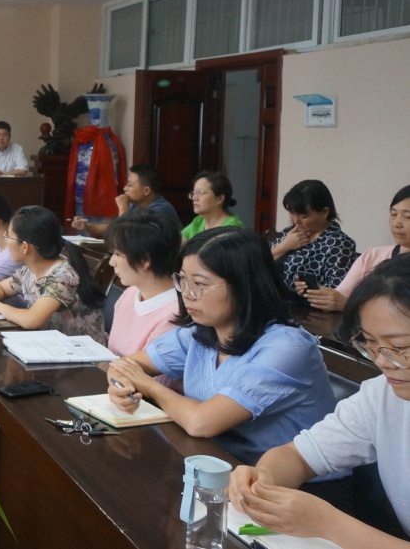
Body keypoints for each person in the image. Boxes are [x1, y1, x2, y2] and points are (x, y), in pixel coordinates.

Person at [107, 228, 337, 466]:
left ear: (244, 285)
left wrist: (148, 386)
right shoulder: (200, 332)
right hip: (214, 462)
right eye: (183, 280)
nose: (186, 294)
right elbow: (123, 367)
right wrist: (122, 389)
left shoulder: (287, 348)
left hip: (289, 481)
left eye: (199, 283)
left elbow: (201, 422)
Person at [229, 255, 410, 545]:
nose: (382, 361)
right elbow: (298, 455)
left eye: (399, 347)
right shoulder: (381, 395)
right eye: (370, 343)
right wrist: (263, 479)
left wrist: (330, 525)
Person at [0, 205, 107, 341]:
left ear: (25, 247)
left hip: (80, 351)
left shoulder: (62, 277)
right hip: (51, 345)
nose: (6, 241)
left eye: (8, 237)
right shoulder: (30, 270)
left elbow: (31, 320)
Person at [301, 185, 410, 312]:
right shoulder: (372, 255)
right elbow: (341, 294)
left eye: (408, 217)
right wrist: (315, 293)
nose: (396, 223)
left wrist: (348, 304)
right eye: (393, 214)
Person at [103, 209, 184, 359]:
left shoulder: (175, 316)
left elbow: (147, 372)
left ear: (144, 260)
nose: (112, 262)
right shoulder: (131, 292)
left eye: (118, 254)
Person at [270, 179, 358, 292]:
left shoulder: (339, 244)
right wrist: (283, 247)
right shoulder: (289, 233)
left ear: (325, 212)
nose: (296, 220)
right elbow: (256, 266)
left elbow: (337, 292)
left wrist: (308, 289)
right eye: (291, 213)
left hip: (302, 302)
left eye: (304, 216)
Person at [71, 163, 180, 237]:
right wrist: (87, 226)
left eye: (130, 185)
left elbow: (124, 236)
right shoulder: (136, 205)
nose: (125, 188)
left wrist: (123, 208)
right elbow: (114, 227)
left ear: (146, 190)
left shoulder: (161, 210)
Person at [181, 170, 244, 240]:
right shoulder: (199, 221)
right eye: (194, 193)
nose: (194, 198)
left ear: (220, 199)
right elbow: (177, 242)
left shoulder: (231, 227)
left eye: (200, 192)